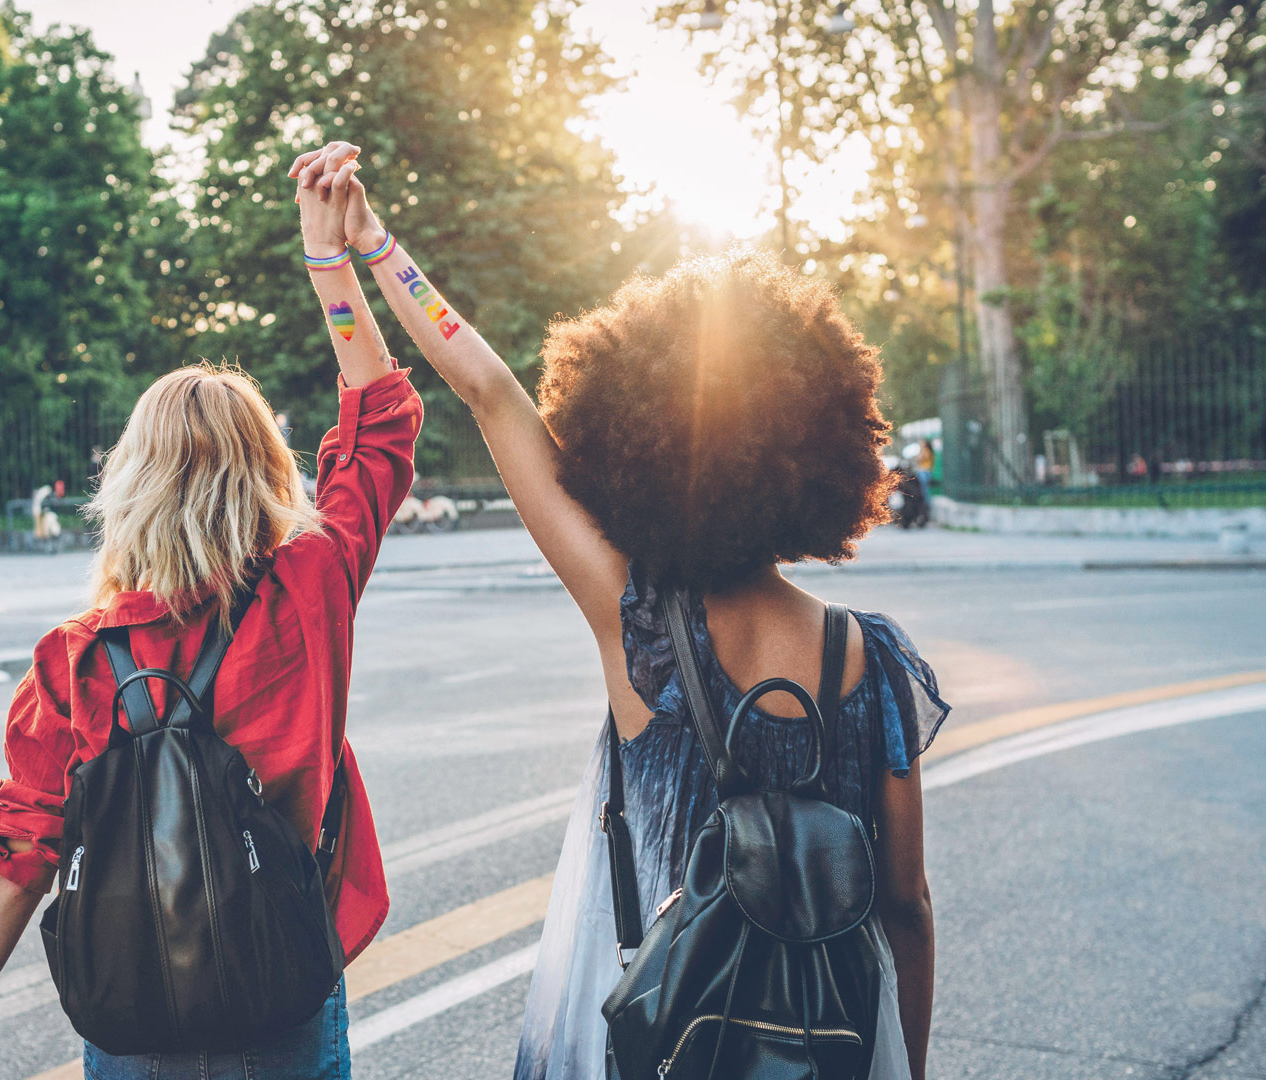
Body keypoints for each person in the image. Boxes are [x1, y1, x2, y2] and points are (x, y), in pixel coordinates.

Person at [288, 140, 949, 1079]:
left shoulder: (636, 619)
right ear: (820, 447)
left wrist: (356, 249)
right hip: (827, 1039)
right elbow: (906, 906)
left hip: (669, 1033)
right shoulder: (872, 660)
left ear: (635, 444)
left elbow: (487, 389)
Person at [0, 155, 417, 1080]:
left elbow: (20, 853)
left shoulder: (74, 662)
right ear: (266, 472)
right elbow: (380, 419)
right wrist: (328, 257)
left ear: (131, 486)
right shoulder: (311, 584)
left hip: (132, 1006)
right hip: (281, 984)